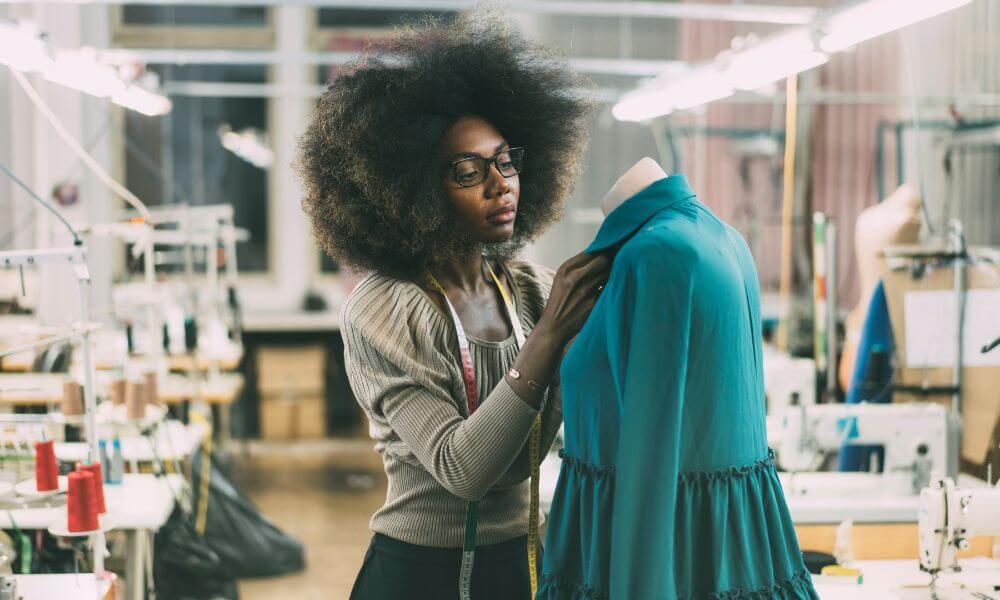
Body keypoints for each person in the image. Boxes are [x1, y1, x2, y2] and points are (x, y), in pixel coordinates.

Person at [294, 9, 608, 599]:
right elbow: (464, 471)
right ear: (413, 190)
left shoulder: (533, 292)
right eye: (468, 170)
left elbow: (524, 460)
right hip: (416, 574)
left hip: (520, 562)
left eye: (505, 160)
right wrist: (549, 340)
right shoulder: (384, 313)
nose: (501, 184)